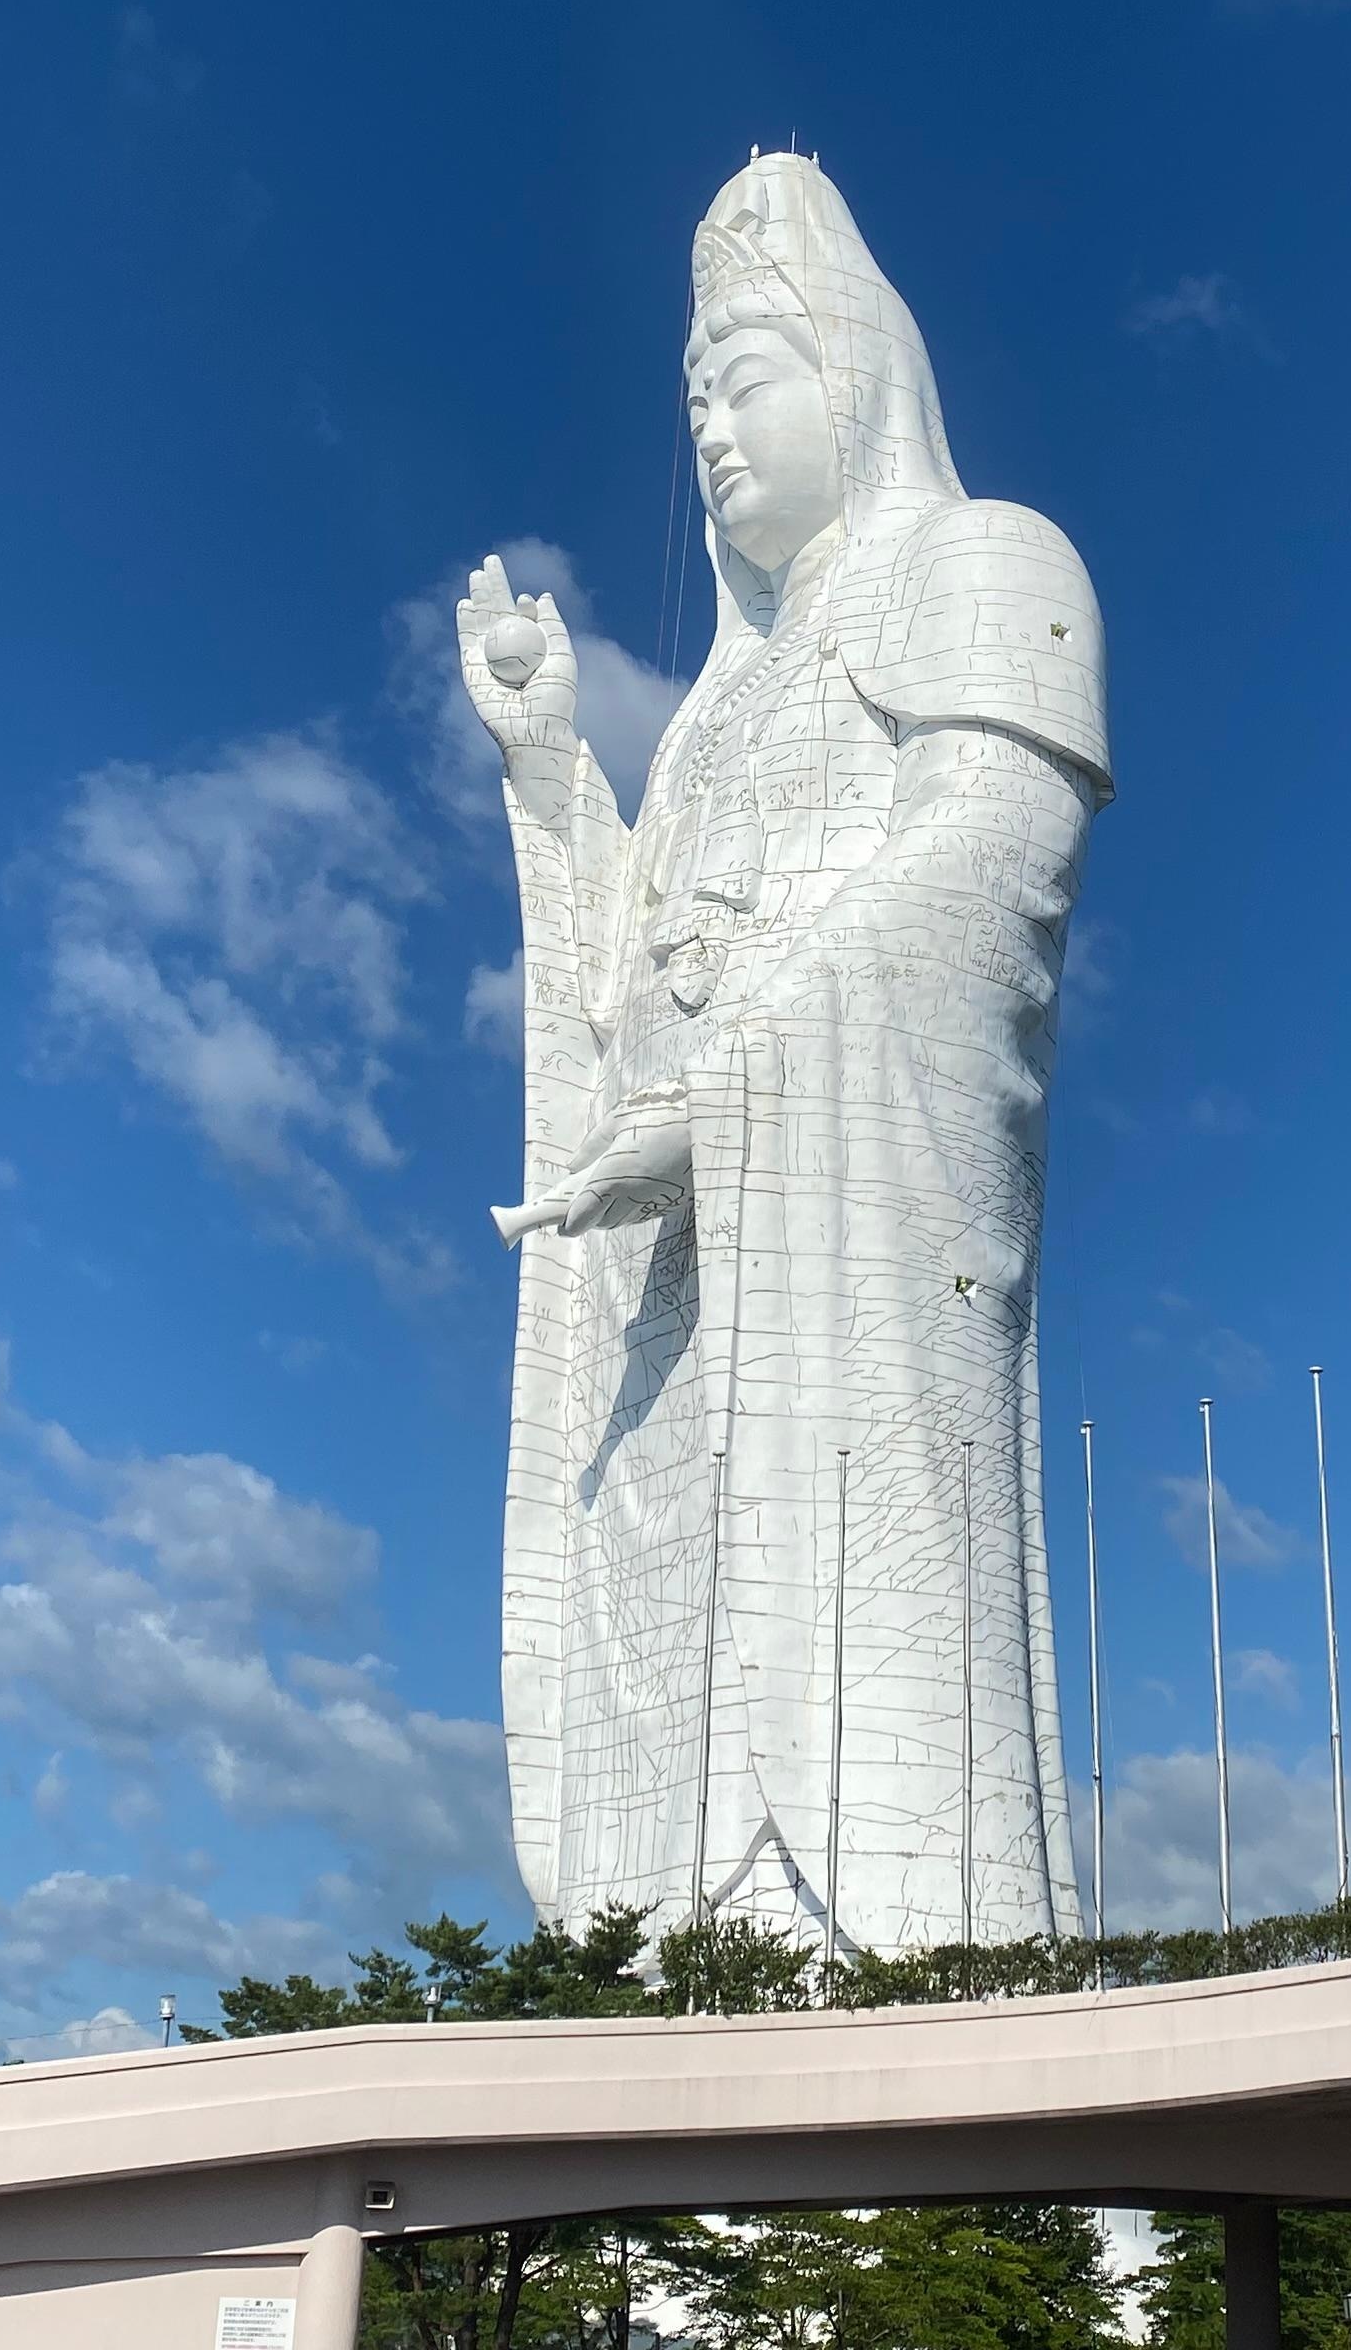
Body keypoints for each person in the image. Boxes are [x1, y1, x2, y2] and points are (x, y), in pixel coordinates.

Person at [458, 152, 1111, 1951]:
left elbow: (994, 864)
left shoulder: (990, 561)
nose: (714, 435)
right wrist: (550, 776)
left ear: (859, 377)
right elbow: (629, 978)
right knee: (665, 1678)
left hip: (846, 1245)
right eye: (693, 405)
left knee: (866, 1632)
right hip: (691, 1280)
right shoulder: (711, 713)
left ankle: (910, 1985)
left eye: (745, 382)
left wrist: (730, 1095)